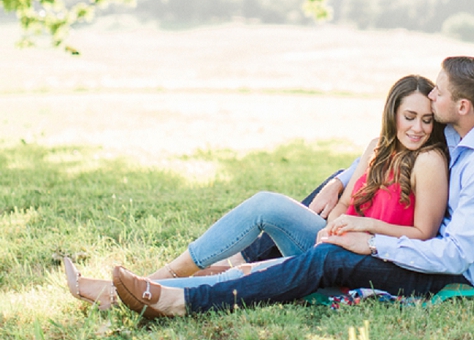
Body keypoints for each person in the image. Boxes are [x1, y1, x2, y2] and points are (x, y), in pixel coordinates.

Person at [112, 55, 474, 319]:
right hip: (420, 246)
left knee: (327, 257)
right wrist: (339, 182)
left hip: (454, 272)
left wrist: (369, 242)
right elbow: (384, 155)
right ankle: (174, 276)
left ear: (461, 106)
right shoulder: (455, 131)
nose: (431, 96)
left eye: (438, 93)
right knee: (289, 205)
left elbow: (454, 254)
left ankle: (180, 300)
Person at [66, 74, 448, 308]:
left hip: (372, 259)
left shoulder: (429, 162)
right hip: (336, 243)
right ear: (392, 113)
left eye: (427, 120)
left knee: (247, 273)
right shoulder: (376, 147)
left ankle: (127, 292)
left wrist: (362, 231)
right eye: (409, 117)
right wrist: (337, 222)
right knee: (266, 203)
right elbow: (346, 202)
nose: (417, 128)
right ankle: (153, 278)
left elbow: (422, 234)